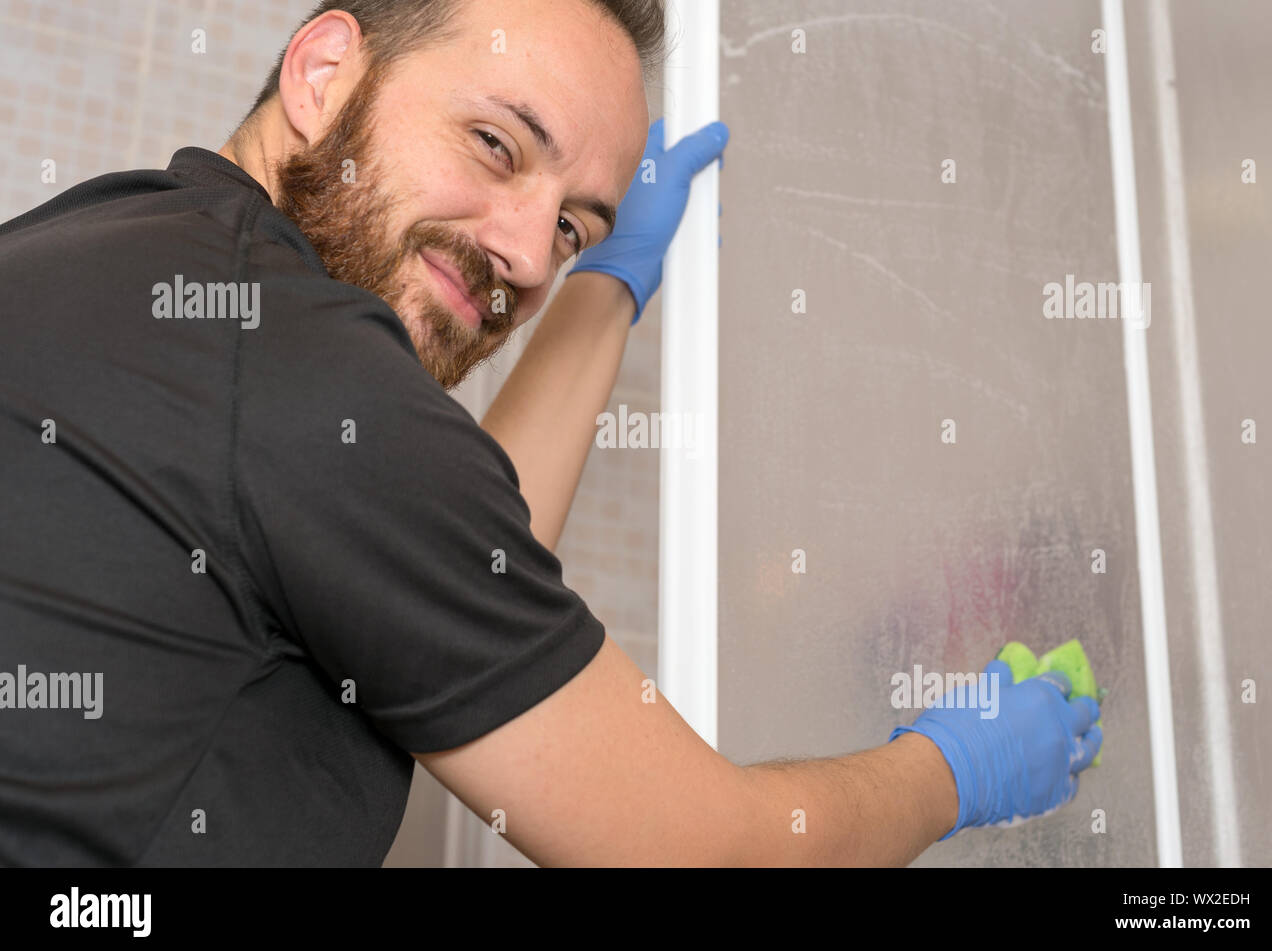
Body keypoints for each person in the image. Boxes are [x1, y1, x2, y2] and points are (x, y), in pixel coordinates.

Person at [0, 0, 1100, 866]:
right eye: (494, 143)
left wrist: (607, 287)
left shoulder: (109, 241)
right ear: (323, 73)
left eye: (574, 223)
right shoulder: (298, 363)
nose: (531, 254)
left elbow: (432, 563)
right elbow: (704, 853)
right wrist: (956, 771)